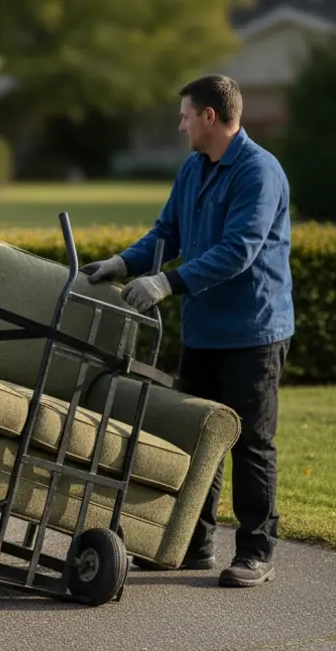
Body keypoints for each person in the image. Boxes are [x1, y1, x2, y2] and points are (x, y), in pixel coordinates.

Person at [82, 74, 293, 588]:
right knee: (198, 439)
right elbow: (166, 233)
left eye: (184, 115)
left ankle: (256, 551)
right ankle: (192, 545)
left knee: (250, 443)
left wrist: (167, 282)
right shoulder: (194, 169)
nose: (180, 125)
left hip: (253, 333)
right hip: (203, 331)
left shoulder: (258, 172)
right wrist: (123, 263)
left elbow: (239, 250)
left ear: (210, 118)